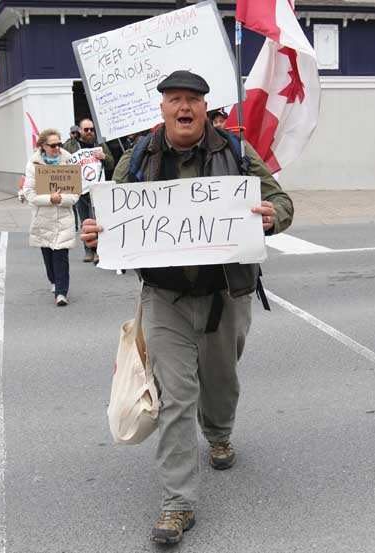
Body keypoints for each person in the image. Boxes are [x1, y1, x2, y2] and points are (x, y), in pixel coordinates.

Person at [81, 71, 294, 544]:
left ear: (205, 108)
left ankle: (218, 433)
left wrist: (273, 214)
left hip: (225, 295)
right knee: (176, 397)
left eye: (192, 100)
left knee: (220, 381)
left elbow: (280, 200)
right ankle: (178, 504)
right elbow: (110, 217)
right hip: (165, 299)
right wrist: (97, 237)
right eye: (175, 99)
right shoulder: (138, 156)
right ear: (161, 108)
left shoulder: (236, 152)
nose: (184, 107)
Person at [23, 129, 79, 306]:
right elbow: (29, 193)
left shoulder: (69, 161)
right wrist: (50, 199)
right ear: (42, 146)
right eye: (53, 145)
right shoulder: (33, 165)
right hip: (43, 218)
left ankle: (62, 293)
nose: (57, 148)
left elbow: (76, 193)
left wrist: (61, 199)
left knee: (60, 256)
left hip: (63, 218)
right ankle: (54, 282)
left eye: (59, 144)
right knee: (48, 257)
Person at [64, 118, 114, 263]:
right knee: (85, 221)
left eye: (92, 129)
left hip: (98, 190)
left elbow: (111, 163)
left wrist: (104, 157)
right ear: (80, 131)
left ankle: (99, 250)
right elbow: (62, 163)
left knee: (98, 222)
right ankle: (88, 251)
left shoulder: (100, 145)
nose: (90, 132)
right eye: (86, 130)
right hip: (80, 191)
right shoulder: (72, 146)